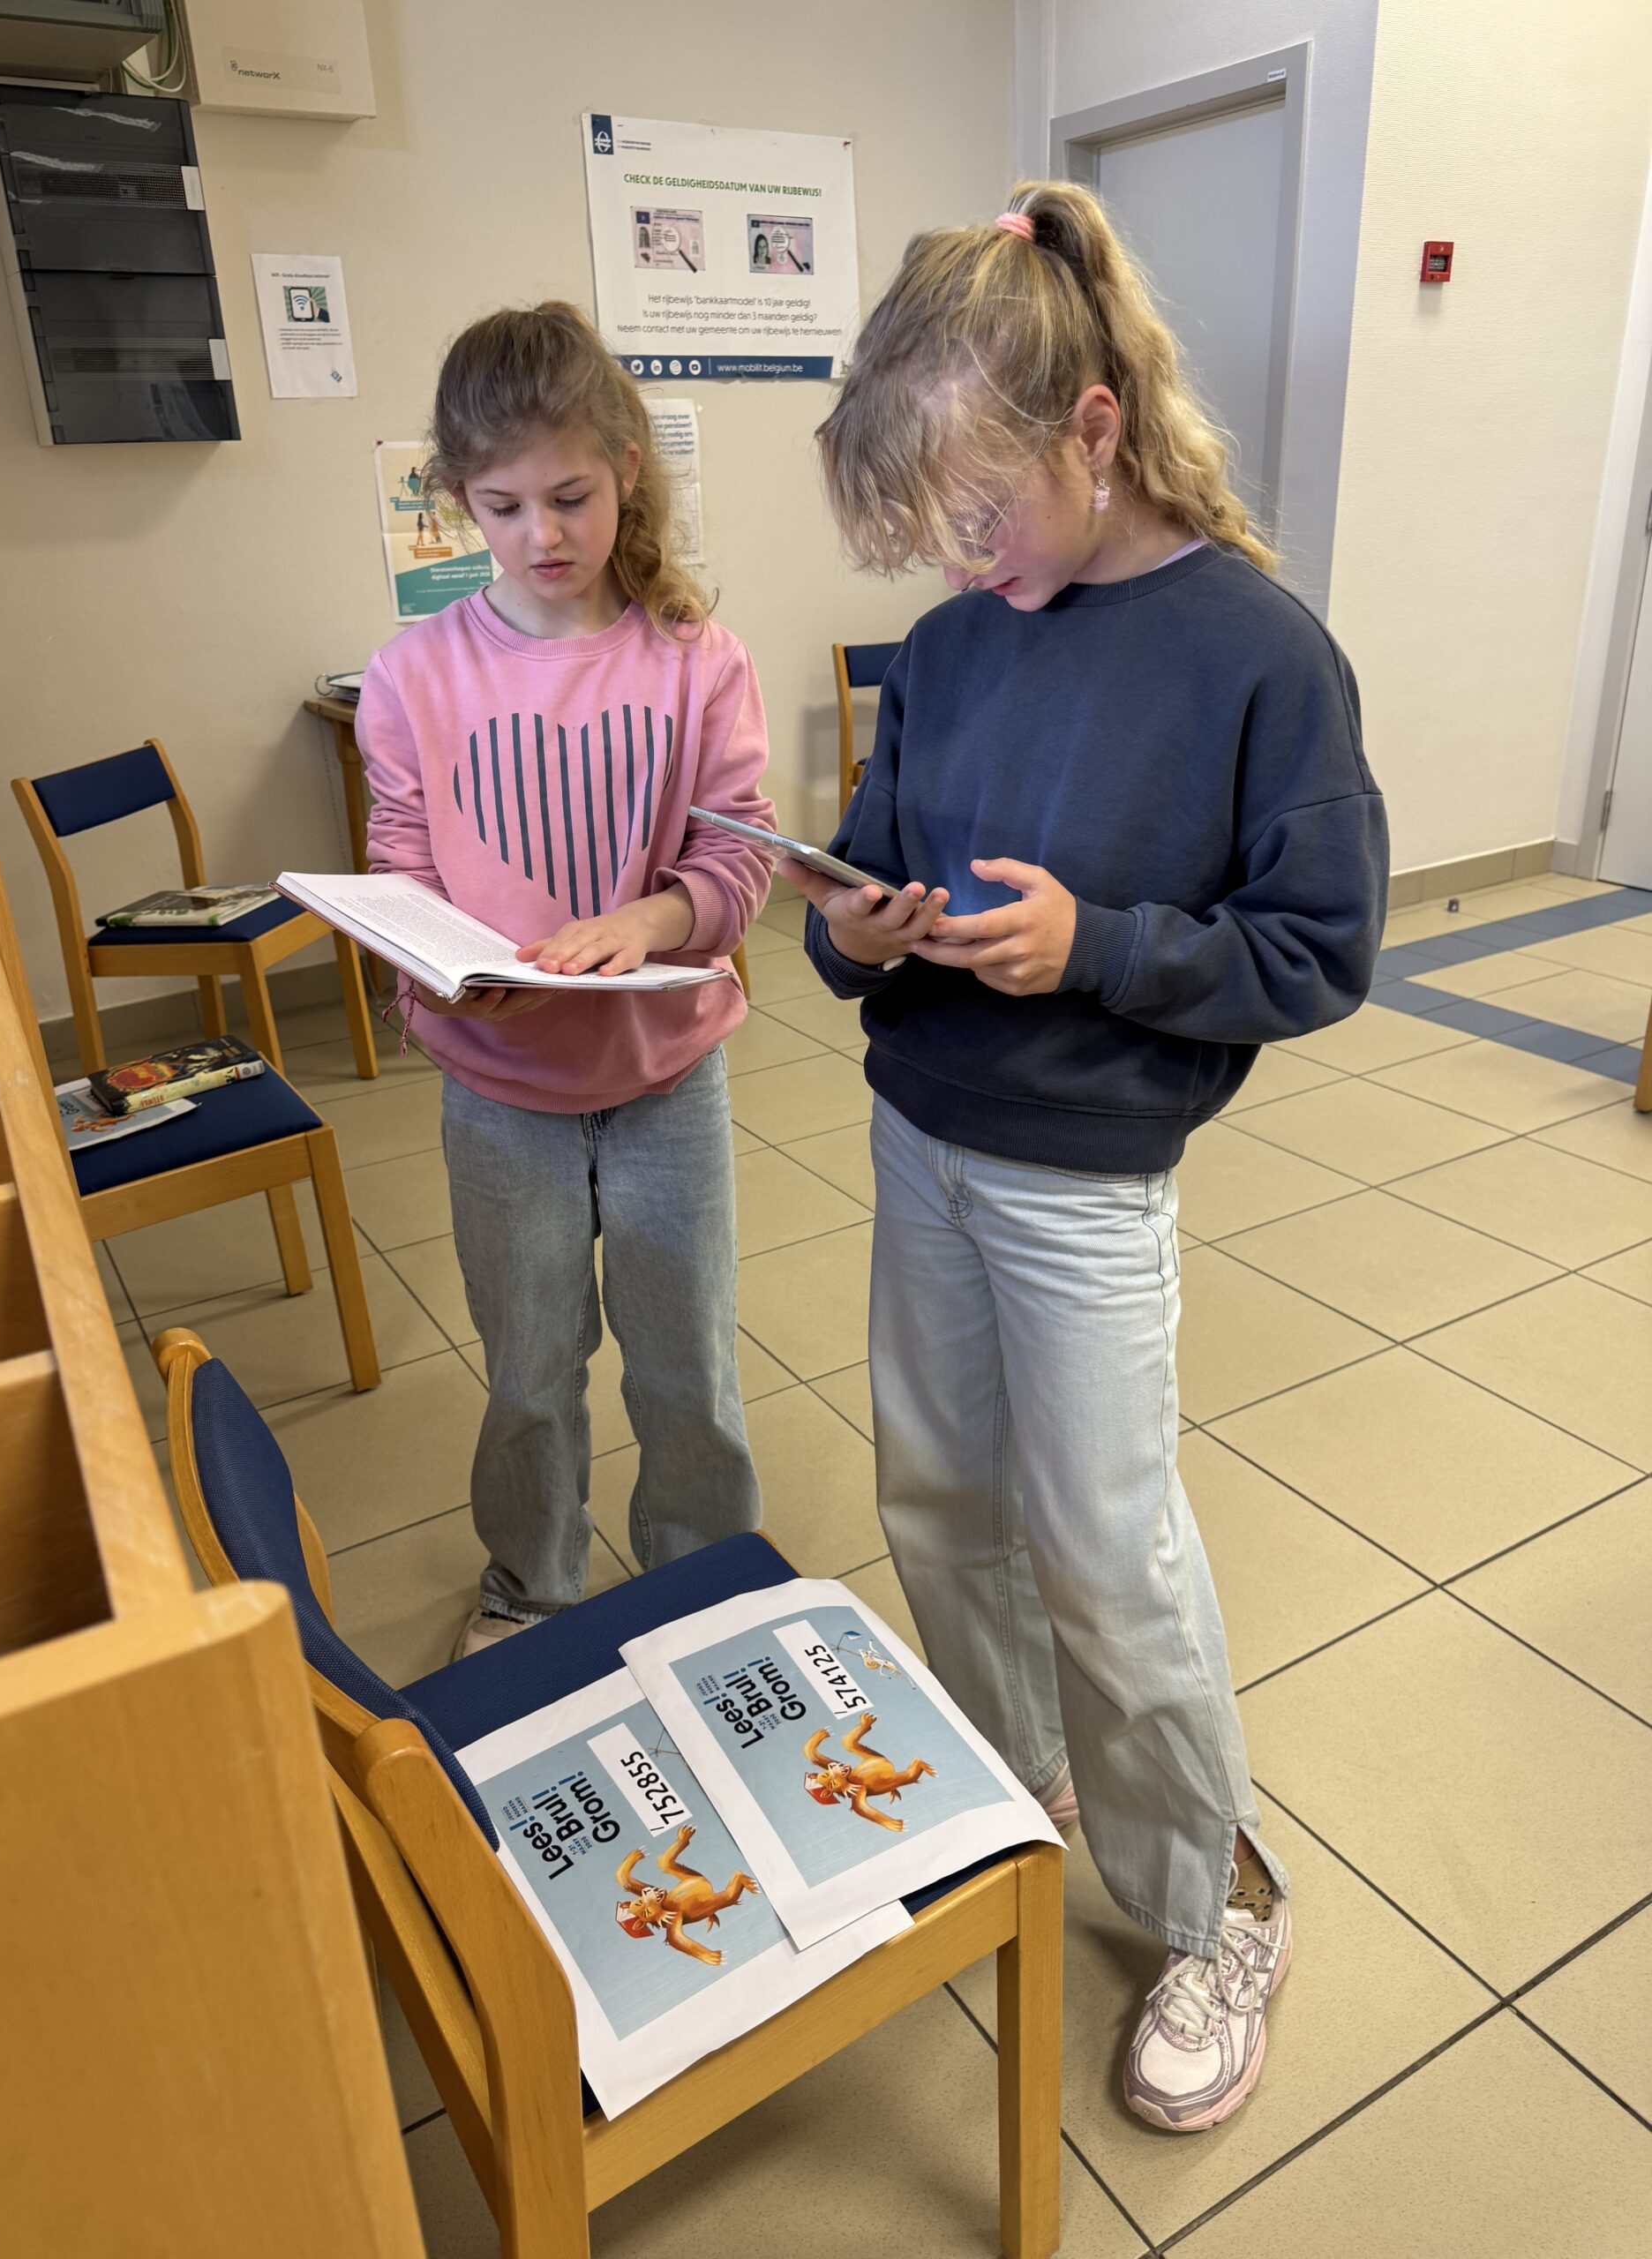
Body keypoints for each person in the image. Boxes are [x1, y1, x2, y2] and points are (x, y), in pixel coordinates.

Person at [786, 182, 1387, 2133]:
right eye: (931, 529)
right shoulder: (954, 643)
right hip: (922, 1133)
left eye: (983, 509)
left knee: (1109, 1556)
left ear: (1096, 429)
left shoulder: (1258, 654)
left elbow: (1318, 952)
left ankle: (1217, 1901)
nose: (964, 557)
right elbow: (867, 866)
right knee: (939, 1496)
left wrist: (1099, 949)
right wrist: (854, 925)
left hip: (1085, 1183)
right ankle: (1025, 1773)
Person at [357, 303, 774, 1661]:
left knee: (687, 1362)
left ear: (626, 473)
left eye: (572, 498)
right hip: (499, 1091)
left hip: (665, 1077)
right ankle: (531, 1588)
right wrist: (435, 968)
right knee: (530, 1369)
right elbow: (401, 864)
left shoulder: (698, 660)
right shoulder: (413, 675)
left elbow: (738, 853)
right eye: (504, 506)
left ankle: (706, 1586)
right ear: (457, 500)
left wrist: (652, 919)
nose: (542, 533)